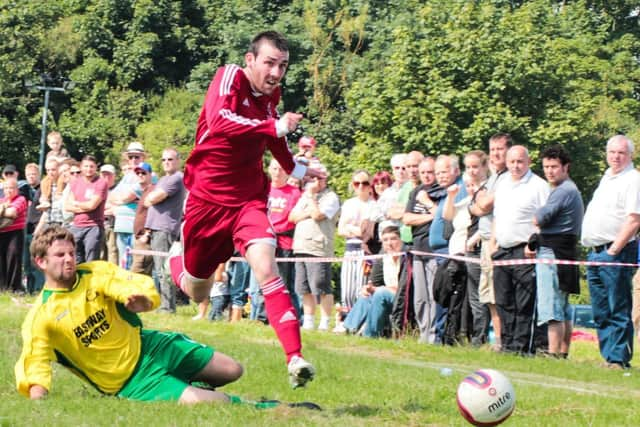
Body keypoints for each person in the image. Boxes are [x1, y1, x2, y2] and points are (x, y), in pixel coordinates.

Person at [167, 31, 323, 388]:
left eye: (282, 65)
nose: (276, 72)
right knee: (198, 291)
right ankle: (175, 260)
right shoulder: (228, 77)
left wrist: (299, 169)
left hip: (248, 201)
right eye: (269, 63)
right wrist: (275, 125)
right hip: (207, 202)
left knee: (266, 268)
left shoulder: (272, 96)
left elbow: (273, 138)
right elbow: (220, 120)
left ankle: (294, 358)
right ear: (250, 60)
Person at [14, 225, 245, 404]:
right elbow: (35, 362)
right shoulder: (41, 316)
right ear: (41, 262)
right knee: (216, 403)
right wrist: (38, 401)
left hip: (149, 346)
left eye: (72, 253)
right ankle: (261, 406)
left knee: (233, 370)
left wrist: (142, 300)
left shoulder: (94, 272)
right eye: (60, 255)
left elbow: (126, 285)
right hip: (130, 381)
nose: (69, 259)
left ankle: (186, 381)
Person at [581, 135, 640, 369]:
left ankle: (619, 358)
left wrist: (614, 249)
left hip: (616, 251)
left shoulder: (633, 180)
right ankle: (608, 357)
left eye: (621, 153)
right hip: (595, 252)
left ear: (630, 156)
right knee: (601, 309)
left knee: (618, 306)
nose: (616, 157)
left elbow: (634, 219)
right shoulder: (607, 178)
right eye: (612, 152)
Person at [492, 145, 549, 355]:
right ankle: (507, 345)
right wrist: (493, 244)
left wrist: (533, 243)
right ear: (506, 162)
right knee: (503, 300)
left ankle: (521, 346)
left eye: (520, 162)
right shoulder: (503, 183)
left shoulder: (538, 186)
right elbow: (497, 216)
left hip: (524, 251)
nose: (515, 166)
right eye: (512, 161)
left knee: (523, 302)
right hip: (502, 250)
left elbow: (546, 220)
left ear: (529, 162)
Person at [530, 145, 583, 359]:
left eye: (554, 167)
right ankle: (562, 353)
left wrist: (537, 213)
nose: (549, 171)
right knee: (562, 305)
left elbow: (539, 218)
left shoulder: (563, 191)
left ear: (565, 167)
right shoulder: (569, 190)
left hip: (553, 252)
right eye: (546, 167)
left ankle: (553, 354)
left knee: (551, 306)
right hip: (564, 251)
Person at [469, 132, 512, 350]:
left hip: (498, 242)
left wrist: (479, 202)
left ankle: (505, 341)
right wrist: (478, 202)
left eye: (500, 149)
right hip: (485, 240)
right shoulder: (493, 177)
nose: (495, 153)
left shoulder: (508, 177)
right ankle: (498, 341)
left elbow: (483, 206)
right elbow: (475, 205)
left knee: (499, 294)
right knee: (489, 296)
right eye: (492, 149)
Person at [290, 166, 340, 331]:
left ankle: (325, 321)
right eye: (312, 178)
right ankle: (309, 321)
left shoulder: (331, 197)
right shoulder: (305, 196)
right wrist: (309, 210)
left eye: (319, 178)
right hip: (301, 246)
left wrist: (310, 199)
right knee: (303, 287)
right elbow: (292, 217)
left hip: (318, 247)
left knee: (321, 285)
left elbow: (319, 215)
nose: (315, 182)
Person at [341, 226, 409, 337]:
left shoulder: (407, 256)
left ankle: (370, 334)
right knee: (366, 294)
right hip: (388, 294)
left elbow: (405, 288)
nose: (389, 243)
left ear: (401, 240)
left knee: (380, 293)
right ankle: (349, 329)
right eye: (385, 240)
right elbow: (374, 282)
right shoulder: (383, 255)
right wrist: (368, 288)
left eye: (393, 239)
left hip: (403, 299)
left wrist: (380, 289)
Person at [144, 148, 186, 313]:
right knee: (158, 269)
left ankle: (167, 307)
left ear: (178, 160)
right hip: (157, 228)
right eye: (164, 160)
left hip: (165, 228)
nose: (167, 162)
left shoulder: (176, 178)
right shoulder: (164, 179)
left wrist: (150, 198)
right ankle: (163, 304)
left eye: (170, 159)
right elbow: (149, 199)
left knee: (163, 270)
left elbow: (152, 198)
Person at [337, 169, 376, 310]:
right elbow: (341, 230)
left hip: (365, 251)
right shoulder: (348, 204)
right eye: (357, 183)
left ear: (370, 185)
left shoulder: (374, 205)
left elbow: (366, 232)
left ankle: (359, 319)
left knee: (361, 287)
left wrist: (350, 227)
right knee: (347, 289)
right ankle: (345, 317)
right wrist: (355, 229)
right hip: (349, 249)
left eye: (364, 183)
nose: (360, 186)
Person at [64, 155, 109, 264]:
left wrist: (77, 204)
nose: (89, 169)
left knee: (91, 260)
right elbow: (67, 206)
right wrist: (83, 206)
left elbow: (92, 205)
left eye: (91, 166)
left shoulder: (101, 183)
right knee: (76, 259)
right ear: (81, 167)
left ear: (96, 168)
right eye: (86, 166)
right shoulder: (75, 182)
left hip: (93, 226)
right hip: (76, 226)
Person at [109, 142, 146, 269]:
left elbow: (126, 197)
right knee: (123, 264)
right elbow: (111, 196)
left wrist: (122, 199)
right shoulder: (127, 177)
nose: (133, 160)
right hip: (121, 225)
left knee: (133, 265)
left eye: (137, 156)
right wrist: (122, 200)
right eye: (131, 157)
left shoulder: (146, 174)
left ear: (143, 157)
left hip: (135, 228)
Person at [0, 178, 28, 292]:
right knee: (1, 261)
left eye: (11, 188)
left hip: (15, 234)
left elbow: (12, 213)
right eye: (6, 188)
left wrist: (2, 210)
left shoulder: (21, 199)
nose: (9, 190)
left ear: (17, 189)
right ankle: (2, 288)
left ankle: (14, 288)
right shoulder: (2, 200)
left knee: (14, 258)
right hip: (1, 234)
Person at [131, 162, 155, 276]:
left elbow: (156, 213)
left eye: (143, 173)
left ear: (150, 174)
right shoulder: (145, 191)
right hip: (138, 239)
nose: (140, 175)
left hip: (145, 240)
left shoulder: (153, 190)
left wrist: (148, 234)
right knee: (143, 277)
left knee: (137, 274)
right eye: (138, 173)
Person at [99, 164, 119, 265]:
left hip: (113, 225)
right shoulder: (97, 189)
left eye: (109, 175)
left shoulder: (119, 189)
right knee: (100, 254)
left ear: (114, 176)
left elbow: (117, 208)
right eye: (104, 175)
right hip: (99, 225)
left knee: (113, 252)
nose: (106, 177)